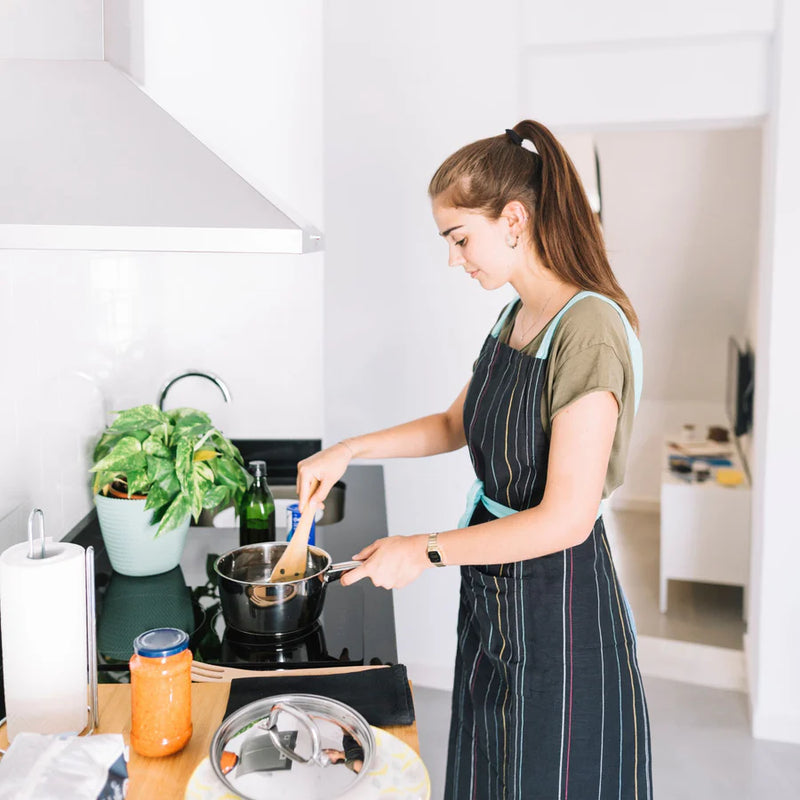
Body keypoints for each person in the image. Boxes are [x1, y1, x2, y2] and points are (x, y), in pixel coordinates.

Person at [296, 119, 652, 799]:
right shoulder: (516, 315)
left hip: (559, 606)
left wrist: (422, 550)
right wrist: (348, 449)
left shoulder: (589, 329)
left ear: (513, 219)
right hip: (495, 589)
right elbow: (453, 423)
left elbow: (566, 520)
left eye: (460, 239)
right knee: (492, 768)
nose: (456, 259)